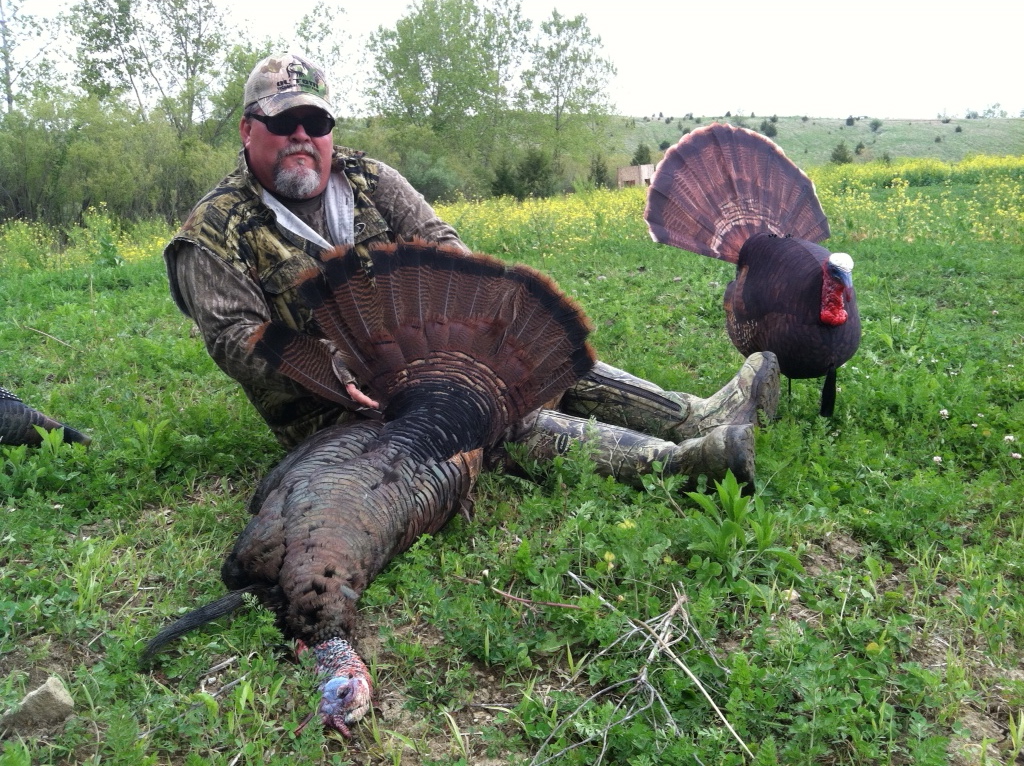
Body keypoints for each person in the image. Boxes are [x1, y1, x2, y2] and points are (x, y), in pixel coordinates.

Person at [163, 53, 780, 490]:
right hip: (334, 411)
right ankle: (676, 465)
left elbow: (440, 242)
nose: (302, 136)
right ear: (248, 130)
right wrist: (333, 364)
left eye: (316, 123)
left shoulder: (368, 179)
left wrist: (477, 325)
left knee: (526, 360)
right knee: (487, 408)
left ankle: (694, 415)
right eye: (282, 123)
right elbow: (236, 341)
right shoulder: (212, 230)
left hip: (422, 357)